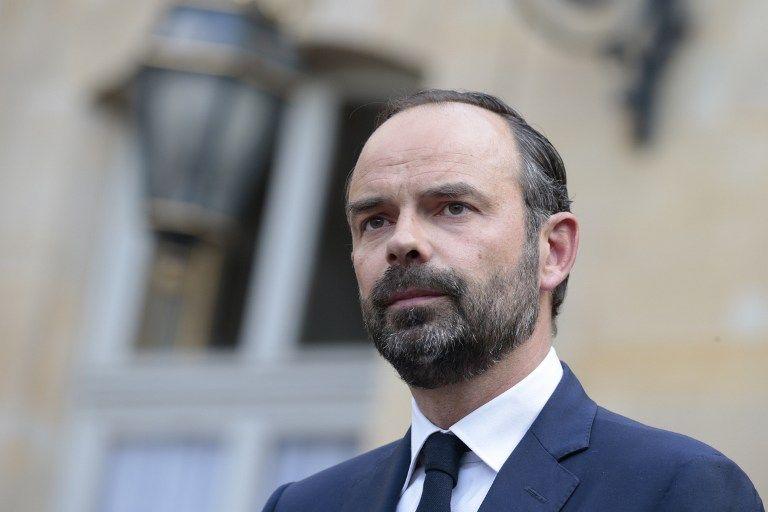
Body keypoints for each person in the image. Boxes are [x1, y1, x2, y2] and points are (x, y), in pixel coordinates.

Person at [261, 89, 764, 512]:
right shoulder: (305, 505)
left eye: (452, 208)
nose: (402, 241)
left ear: (553, 251)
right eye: (375, 220)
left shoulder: (677, 490)